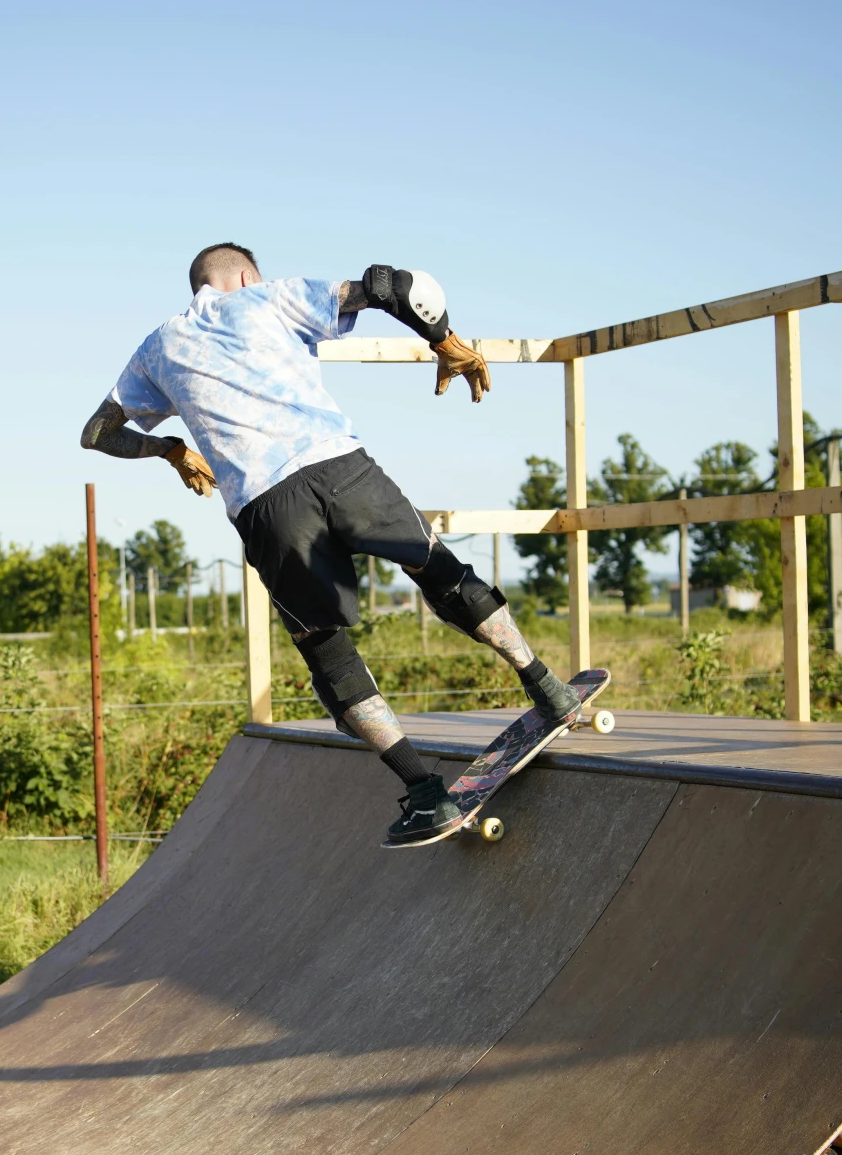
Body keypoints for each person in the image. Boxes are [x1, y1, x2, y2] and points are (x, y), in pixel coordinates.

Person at [79, 241, 582, 846]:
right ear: (244, 276)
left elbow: (98, 433)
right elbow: (393, 283)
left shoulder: (156, 350)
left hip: (266, 509)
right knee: (440, 570)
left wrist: (170, 449)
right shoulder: (267, 300)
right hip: (344, 469)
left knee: (330, 653)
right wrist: (444, 340)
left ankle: (427, 795)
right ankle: (546, 687)